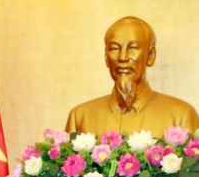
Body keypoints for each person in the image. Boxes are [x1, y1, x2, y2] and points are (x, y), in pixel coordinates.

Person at [65, 16, 198, 137]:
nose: (122, 58)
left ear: (150, 56)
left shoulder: (181, 116)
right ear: (106, 58)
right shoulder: (80, 117)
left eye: (133, 48)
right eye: (114, 49)